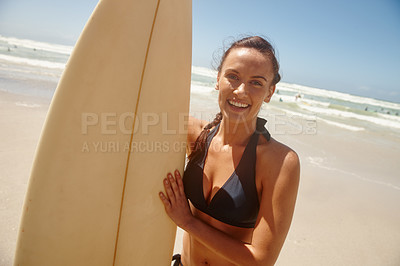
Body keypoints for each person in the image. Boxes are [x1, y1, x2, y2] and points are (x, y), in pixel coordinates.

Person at [159, 36, 300, 266]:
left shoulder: (280, 162)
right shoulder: (194, 134)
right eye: (233, 77)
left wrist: (187, 221)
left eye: (256, 82)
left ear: (269, 92)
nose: (241, 91)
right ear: (218, 79)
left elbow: (261, 260)